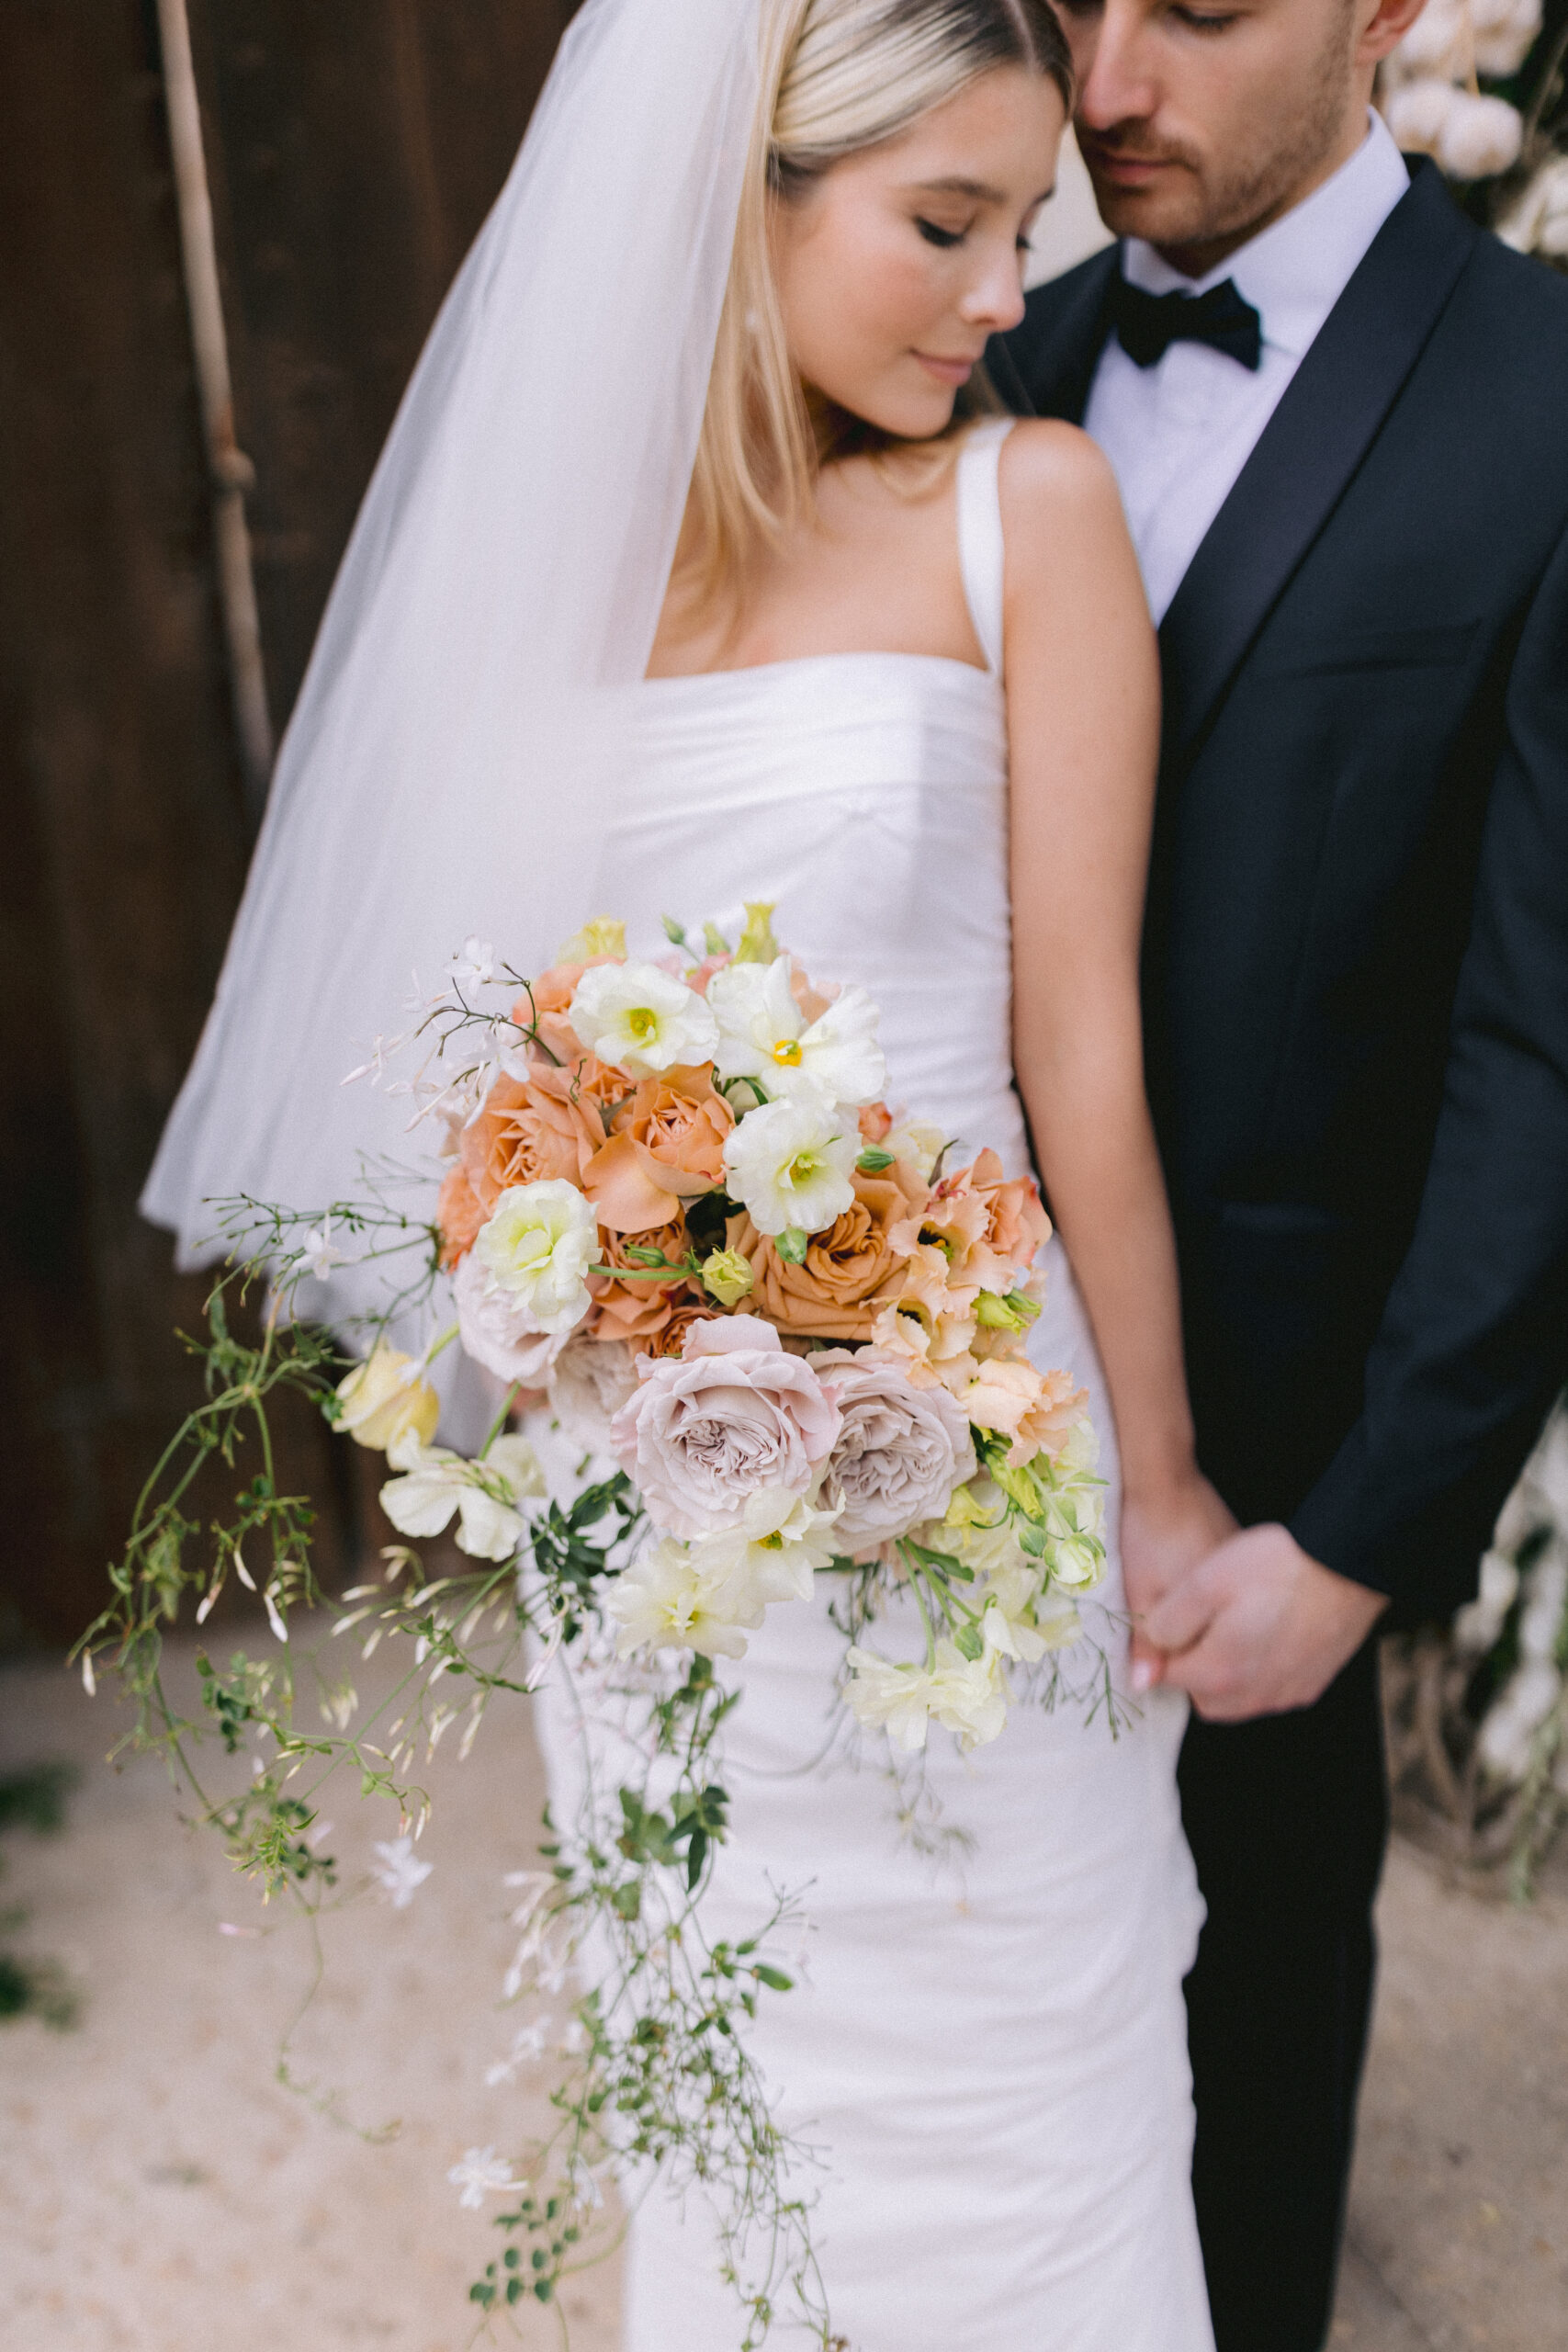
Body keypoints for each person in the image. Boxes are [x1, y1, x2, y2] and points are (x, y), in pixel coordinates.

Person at [144, 0, 1224, 2344]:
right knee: (744, 2080)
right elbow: (468, 1059)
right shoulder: (530, 576)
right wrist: (565, 1315)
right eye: (940, 224)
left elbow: (1082, 1057)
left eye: (1019, 231)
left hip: (980, 1456)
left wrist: (1158, 1480)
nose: (999, 296)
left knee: (1022, 2051)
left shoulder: (1018, 510)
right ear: (740, 197)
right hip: (651, 1498)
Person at [987, 0, 1568, 2344]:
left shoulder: (1541, 404)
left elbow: (1548, 1043)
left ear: (1384, 14)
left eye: (1199, 13)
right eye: (1071, 7)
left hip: (1275, 1479)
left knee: (1239, 2128)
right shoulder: (968, 353)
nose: (1107, 81)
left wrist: (1357, 1534)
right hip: (904, 1421)